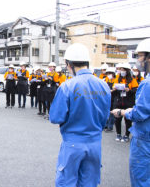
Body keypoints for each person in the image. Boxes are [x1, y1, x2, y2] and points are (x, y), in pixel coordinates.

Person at [49, 43, 111, 187]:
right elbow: (104, 116)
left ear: (69, 64)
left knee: (67, 182)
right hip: (95, 143)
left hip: (73, 143)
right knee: (89, 182)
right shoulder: (104, 85)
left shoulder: (67, 86)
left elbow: (55, 117)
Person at [111, 38, 150, 187]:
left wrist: (123, 112)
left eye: (140, 56)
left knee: (141, 179)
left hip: (145, 138)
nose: (138, 60)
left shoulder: (146, 83)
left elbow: (140, 113)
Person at [112, 63, 138, 142]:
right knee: (117, 119)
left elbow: (135, 90)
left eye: (123, 70)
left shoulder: (132, 80)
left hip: (128, 102)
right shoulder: (117, 79)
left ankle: (127, 135)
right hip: (119, 101)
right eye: (121, 70)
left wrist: (129, 90)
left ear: (127, 71)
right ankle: (118, 134)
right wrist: (114, 89)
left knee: (128, 120)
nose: (122, 71)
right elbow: (114, 89)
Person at [104, 67, 117, 132]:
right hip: (107, 97)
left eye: (110, 73)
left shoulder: (116, 79)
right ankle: (105, 125)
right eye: (108, 73)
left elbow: (115, 88)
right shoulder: (106, 79)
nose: (109, 75)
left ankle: (110, 126)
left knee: (112, 112)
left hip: (114, 97)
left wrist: (111, 90)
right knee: (106, 111)